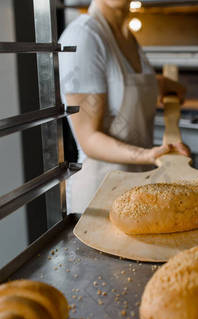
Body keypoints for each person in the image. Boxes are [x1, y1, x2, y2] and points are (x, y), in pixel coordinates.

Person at [59, 0, 190, 213]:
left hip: (140, 187)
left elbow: (119, 85)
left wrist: (162, 85)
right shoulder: (84, 36)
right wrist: (148, 155)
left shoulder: (128, 36)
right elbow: (89, 138)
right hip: (101, 195)